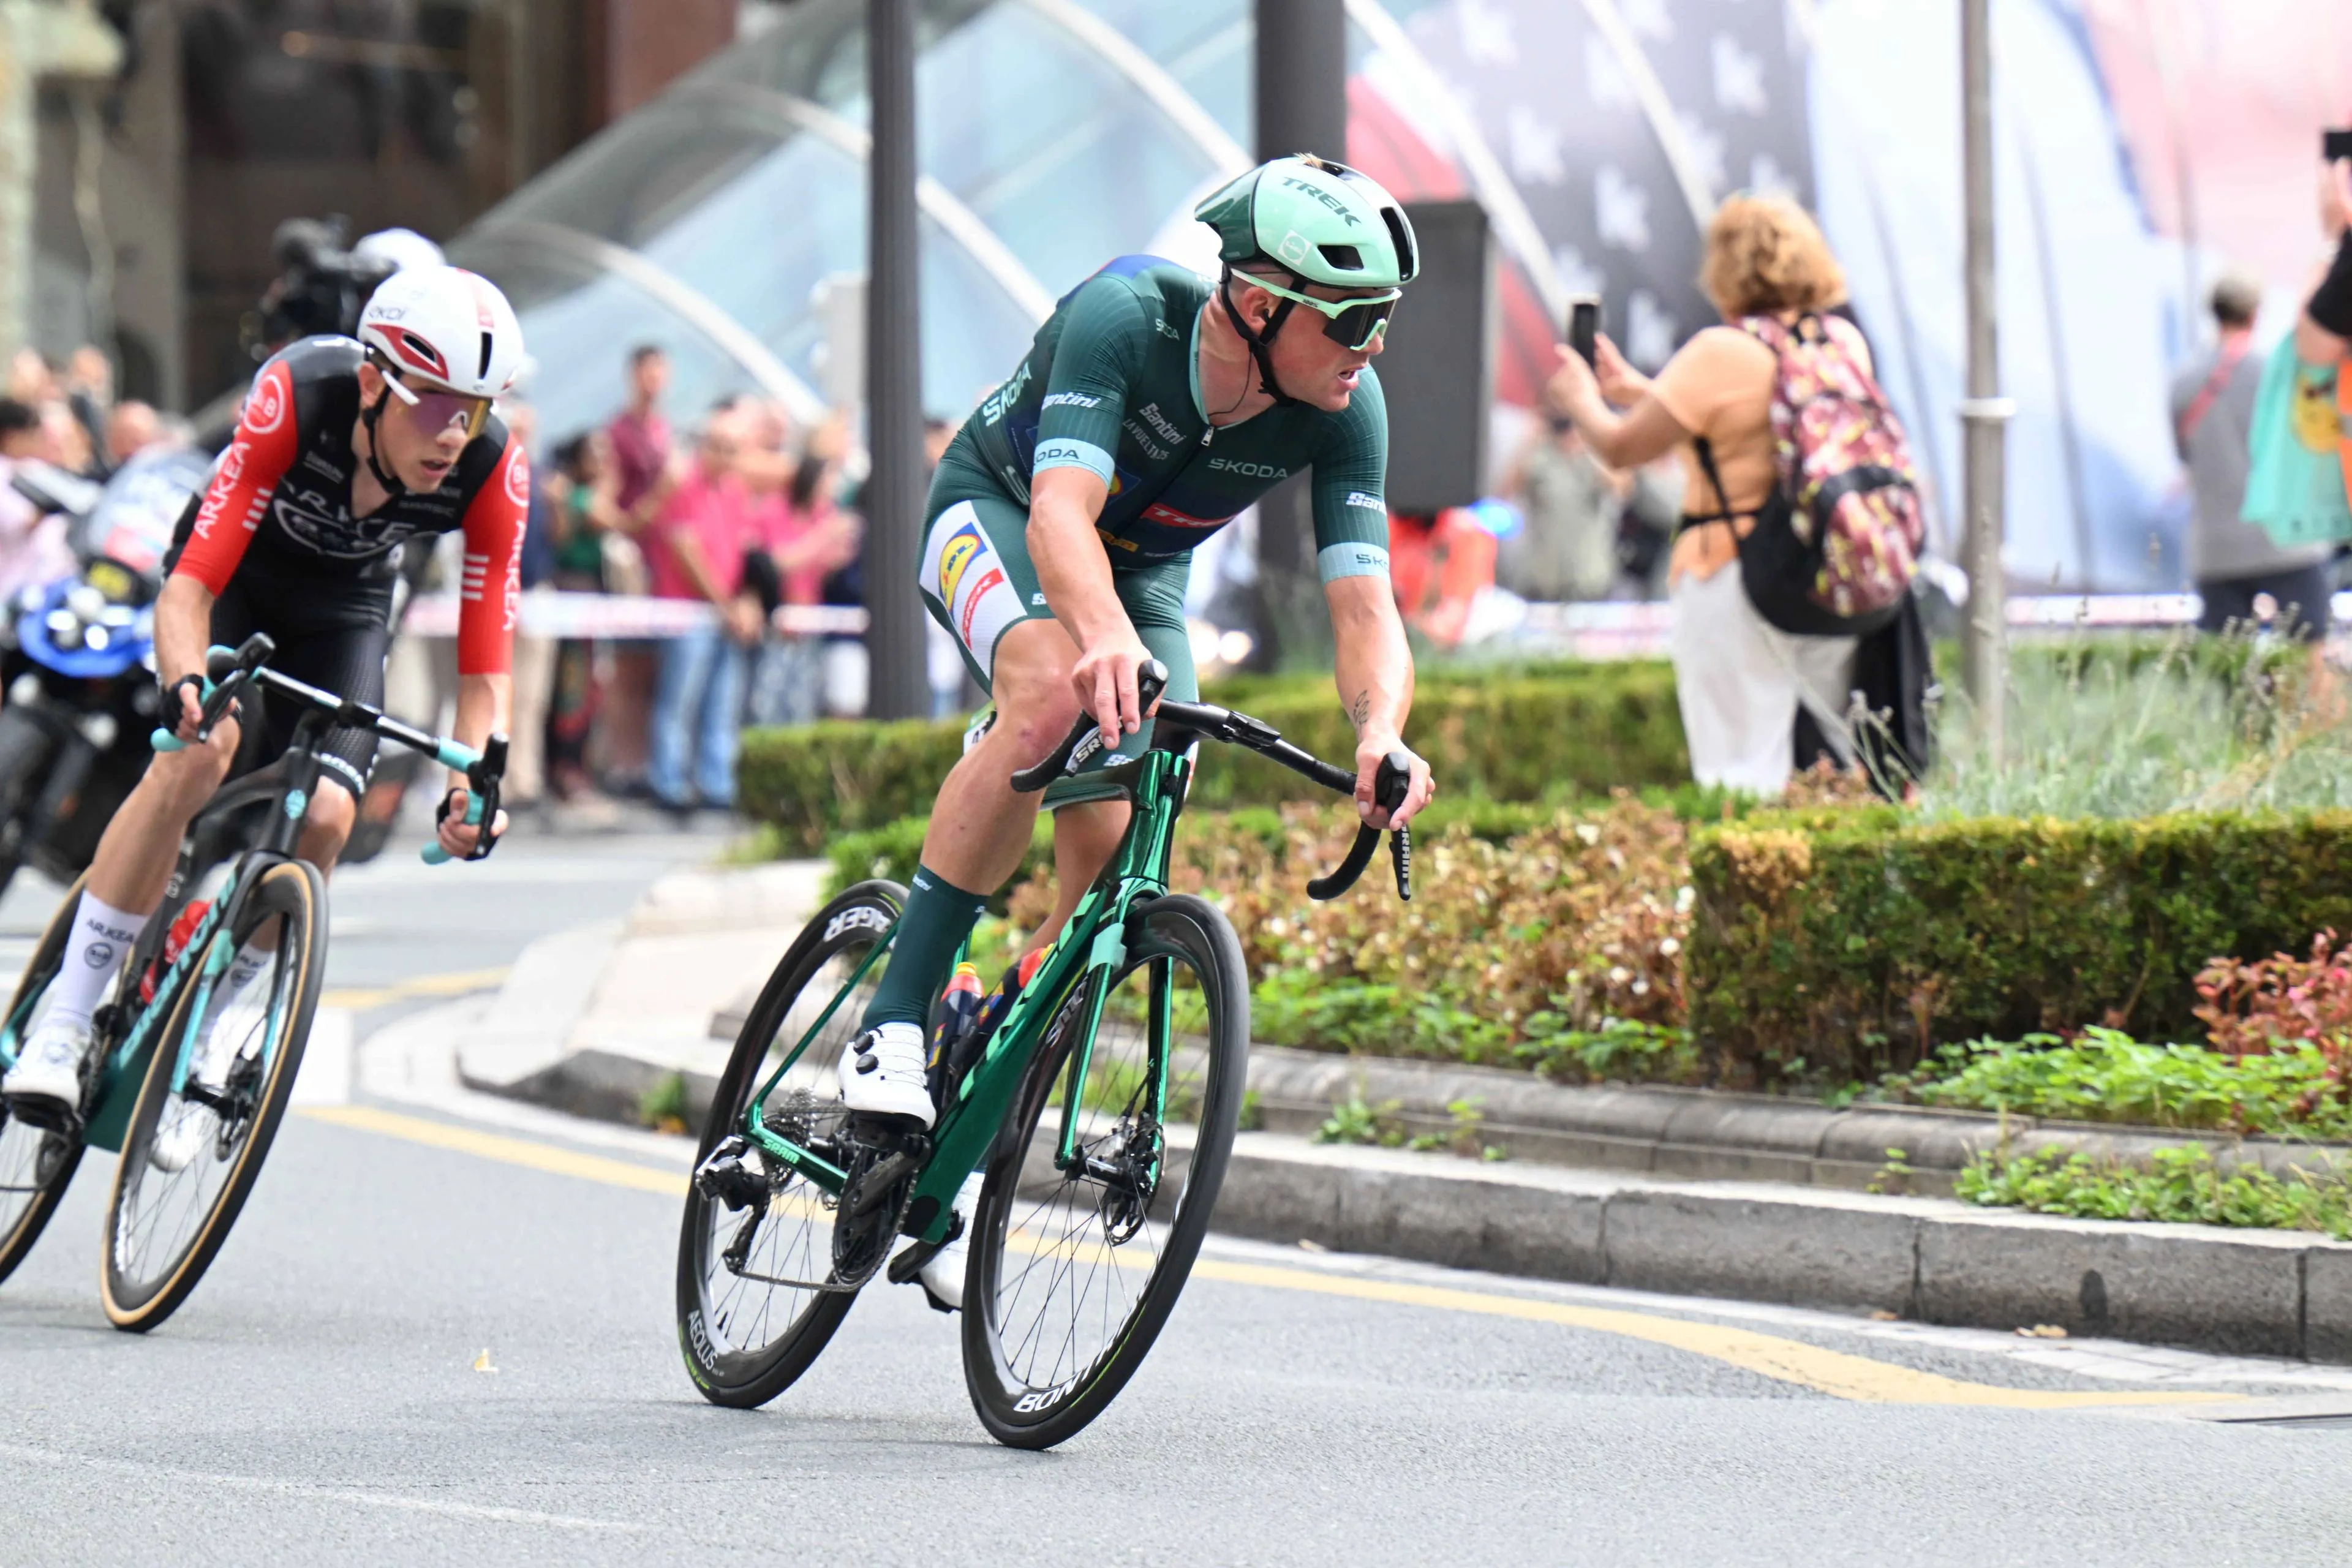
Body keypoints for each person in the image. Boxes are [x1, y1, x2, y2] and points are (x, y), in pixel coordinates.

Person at [833, 154, 1436, 1160]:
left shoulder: (1347, 411)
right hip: (1002, 508)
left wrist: (1380, 730)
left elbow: (1366, 606)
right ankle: (892, 1019)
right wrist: (1100, 637)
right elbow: (1062, 513)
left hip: (1143, 579)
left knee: (1116, 878)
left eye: (1385, 316)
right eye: (1347, 318)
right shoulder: (1127, 317)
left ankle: (968, 1094)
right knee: (1047, 700)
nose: (1369, 346)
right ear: (1254, 298)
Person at [0, 265, 527, 1132]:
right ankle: (66, 1016)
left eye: (471, 414)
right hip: (232, 581)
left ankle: (214, 1027)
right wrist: (185, 690)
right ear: (372, 384)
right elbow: (189, 591)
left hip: (344, 614)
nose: (452, 437)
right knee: (198, 754)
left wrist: (474, 781)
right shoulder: (301, 393)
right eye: (435, 407)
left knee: (324, 817)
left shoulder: (492, 470)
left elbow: (484, 670)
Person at [1548, 193, 1871, 796]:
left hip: (1733, 572)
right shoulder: (1840, 344)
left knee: (1741, 772)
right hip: (1829, 571)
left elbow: (1621, 449)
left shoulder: (1720, 351)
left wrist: (1582, 401)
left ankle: (1749, 885)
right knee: (1842, 766)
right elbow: (1752, 422)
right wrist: (1644, 390)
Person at [2175, 271, 2332, 636]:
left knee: (2229, 665)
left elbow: (2184, 454)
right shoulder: (2281, 372)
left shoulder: (2183, 381)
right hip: (2288, 540)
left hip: (2218, 547)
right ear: (2255, 313)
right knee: (2309, 657)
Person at [645, 404, 761, 813]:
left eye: (735, 449)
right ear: (705, 447)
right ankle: (669, 782)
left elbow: (746, 551)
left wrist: (746, 600)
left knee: (721, 704)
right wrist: (728, 604)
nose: (728, 457)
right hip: (689, 613)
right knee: (680, 701)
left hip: (723, 614)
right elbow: (687, 551)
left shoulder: (734, 490)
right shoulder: (685, 484)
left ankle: (716, 784)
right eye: (722, 447)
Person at [1498, 383, 1629, 603]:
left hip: (1590, 581)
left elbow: (1622, 488)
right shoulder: (1539, 453)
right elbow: (1505, 495)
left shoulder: (1595, 450)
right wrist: (1531, 439)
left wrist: (1589, 436)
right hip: (1543, 581)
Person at [0, 398, 74, 600]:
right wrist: (44, 510)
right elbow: (17, 525)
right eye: (31, 436)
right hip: (13, 590)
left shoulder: (35, 470)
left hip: (53, 584)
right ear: (11, 437)